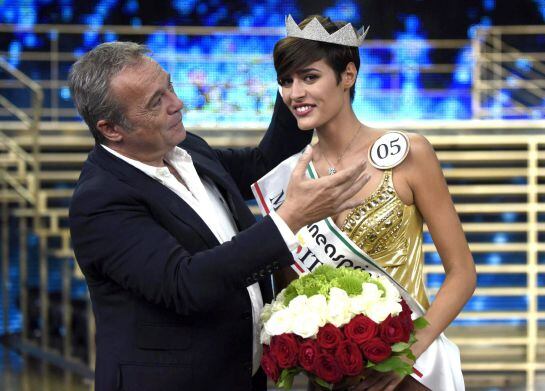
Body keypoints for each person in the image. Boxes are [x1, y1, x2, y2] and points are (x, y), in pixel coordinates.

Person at [67, 41, 369, 391]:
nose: (176, 104)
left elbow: (260, 166)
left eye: (169, 87)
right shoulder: (100, 201)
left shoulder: (184, 147)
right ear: (111, 129)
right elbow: (186, 284)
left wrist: (295, 80)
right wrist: (290, 219)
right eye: (155, 102)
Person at [270, 15, 476, 390]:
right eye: (286, 80)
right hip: (332, 378)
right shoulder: (289, 178)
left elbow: (462, 273)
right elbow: (288, 292)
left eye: (309, 77)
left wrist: (408, 354)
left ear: (347, 75)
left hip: (412, 373)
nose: (294, 93)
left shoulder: (409, 153)